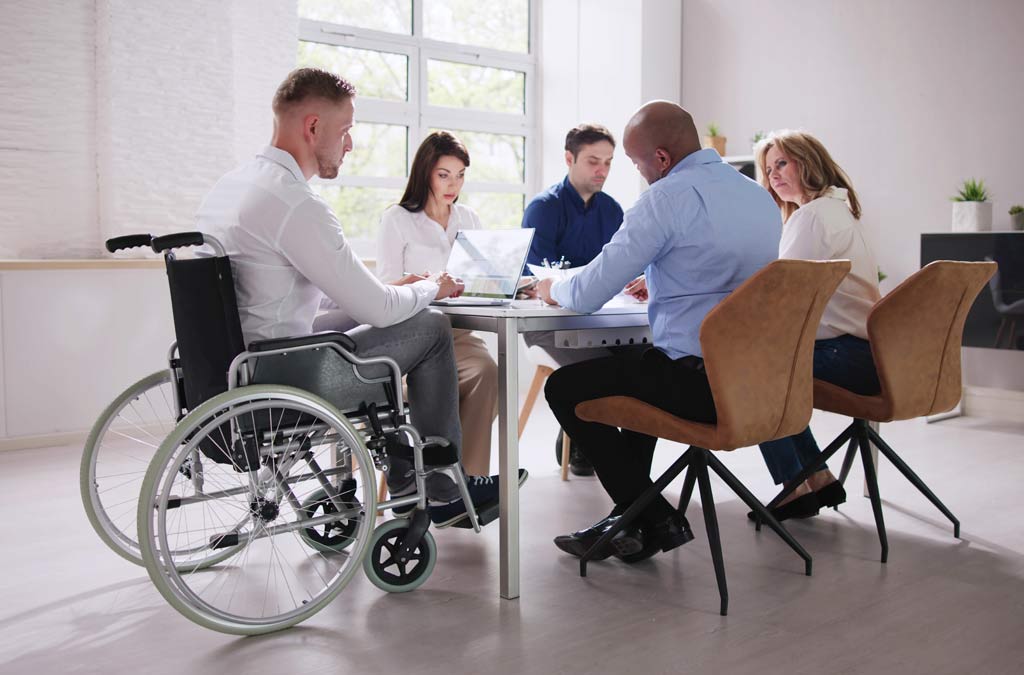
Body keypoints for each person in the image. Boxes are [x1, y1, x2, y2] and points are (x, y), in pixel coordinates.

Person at [194, 67, 522, 527]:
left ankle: (412, 474)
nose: (350, 144)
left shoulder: (232, 187)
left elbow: (320, 302)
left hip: (238, 366)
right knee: (430, 327)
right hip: (287, 376)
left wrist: (396, 289)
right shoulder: (296, 203)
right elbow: (378, 310)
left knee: (373, 316)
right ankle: (442, 488)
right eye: (346, 131)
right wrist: (432, 288)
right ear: (313, 127)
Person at [536, 101, 781, 562]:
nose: (636, 173)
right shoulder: (756, 195)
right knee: (636, 366)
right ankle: (634, 519)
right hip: (757, 381)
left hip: (699, 385)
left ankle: (651, 516)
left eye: (635, 162)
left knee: (565, 387)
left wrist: (550, 286)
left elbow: (587, 293)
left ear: (662, 159)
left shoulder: (667, 197)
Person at [751, 129, 881, 521]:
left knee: (751, 373)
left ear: (809, 162)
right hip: (867, 353)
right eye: (768, 168)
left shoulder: (811, 218)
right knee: (769, 369)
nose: (773, 175)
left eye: (782, 163)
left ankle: (796, 485)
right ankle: (817, 478)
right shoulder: (836, 211)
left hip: (846, 353)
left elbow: (779, 298)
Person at [376, 131, 498, 477]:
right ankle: (438, 475)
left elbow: (482, 278)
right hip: (414, 335)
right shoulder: (397, 219)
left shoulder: (469, 219)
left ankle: (468, 481)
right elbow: (385, 289)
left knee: (487, 373)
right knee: (438, 389)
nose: (453, 185)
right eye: (444, 174)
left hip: (459, 334)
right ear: (425, 172)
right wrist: (430, 284)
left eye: (460, 175)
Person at [520, 123, 626, 476]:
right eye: (594, 161)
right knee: (600, 366)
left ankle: (601, 444)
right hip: (547, 324)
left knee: (643, 358)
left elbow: (619, 270)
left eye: (609, 162)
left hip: (600, 319)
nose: (602, 170)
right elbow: (536, 281)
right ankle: (587, 434)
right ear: (569, 158)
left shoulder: (613, 211)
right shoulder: (543, 209)